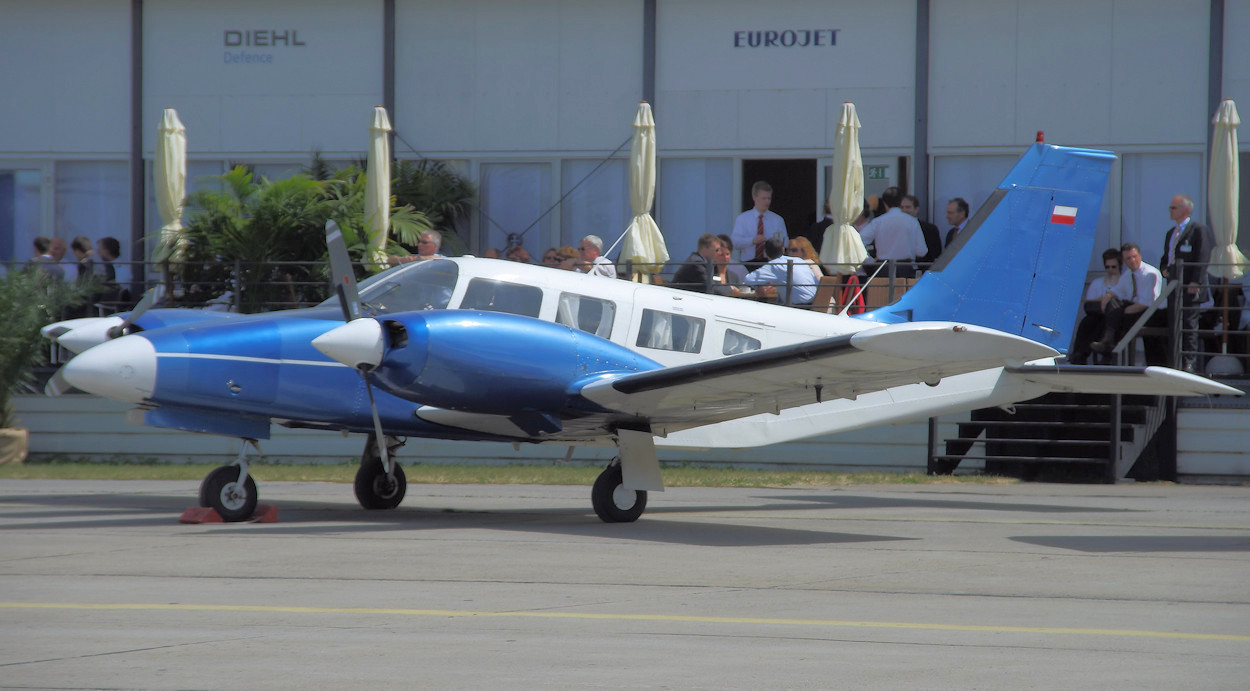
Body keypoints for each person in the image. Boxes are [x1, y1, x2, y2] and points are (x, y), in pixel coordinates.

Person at [1159, 194, 1213, 372]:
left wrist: (1195, 281)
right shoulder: (1171, 233)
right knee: (1174, 322)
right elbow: (1166, 256)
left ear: (1186, 210)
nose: (1170, 211)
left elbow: (1202, 256)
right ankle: (1175, 359)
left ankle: (1188, 361)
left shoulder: (1197, 229)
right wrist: (1164, 268)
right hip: (1174, 286)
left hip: (1189, 287)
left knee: (1189, 324)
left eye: (1173, 208)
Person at [1090, 243, 1164, 362]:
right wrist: (1107, 296)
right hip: (1134, 309)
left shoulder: (1150, 274)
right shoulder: (1128, 274)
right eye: (1128, 258)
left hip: (1151, 313)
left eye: (1134, 256)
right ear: (1123, 261)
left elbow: (1146, 303)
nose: (1132, 260)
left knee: (1115, 317)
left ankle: (1108, 351)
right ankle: (1107, 345)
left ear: (1139, 256)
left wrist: (1121, 312)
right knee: (1110, 308)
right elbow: (1117, 291)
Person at [857, 186, 927, 279]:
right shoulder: (912, 221)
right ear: (900, 201)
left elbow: (858, 242)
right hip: (906, 268)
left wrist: (869, 260)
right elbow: (922, 251)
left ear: (884, 203)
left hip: (883, 268)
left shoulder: (878, 221)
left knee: (883, 293)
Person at [1069, 248, 1122, 365]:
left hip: (1115, 317)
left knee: (1101, 322)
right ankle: (1079, 354)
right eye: (1107, 267)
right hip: (1098, 315)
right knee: (1087, 322)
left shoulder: (1124, 281)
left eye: (1113, 267)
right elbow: (1089, 304)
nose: (1110, 270)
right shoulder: (1097, 283)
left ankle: (1083, 353)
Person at [729, 180, 787, 270]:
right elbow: (735, 242)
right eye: (764, 198)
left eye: (769, 198)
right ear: (754, 197)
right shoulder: (743, 219)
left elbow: (785, 242)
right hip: (748, 263)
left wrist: (772, 243)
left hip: (770, 263)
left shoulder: (777, 220)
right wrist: (752, 240)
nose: (767, 202)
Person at [744, 236, 817, 305]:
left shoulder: (774, 265)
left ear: (765, 253)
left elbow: (748, 279)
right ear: (783, 249)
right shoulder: (798, 260)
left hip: (798, 307)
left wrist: (759, 286)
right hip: (815, 303)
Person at [900, 194, 942, 268]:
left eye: (908, 207)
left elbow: (935, 253)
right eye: (902, 207)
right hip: (900, 270)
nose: (904, 210)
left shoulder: (930, 229)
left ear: (916, 209)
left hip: (923, 270)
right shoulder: (896, 228)